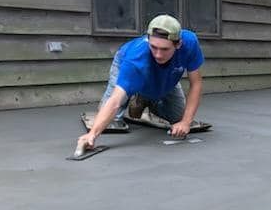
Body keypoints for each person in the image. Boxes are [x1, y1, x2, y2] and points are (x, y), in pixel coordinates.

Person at [77, 14, 204, 150]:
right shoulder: (136, 59)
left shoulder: (190, 43)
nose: (158, 54)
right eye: (153, 47)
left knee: (180, 119)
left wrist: (185, 122)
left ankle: (146, 99)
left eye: (165, 49)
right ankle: (137, 92)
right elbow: (115, 100)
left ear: (178, 44)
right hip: (128, 63)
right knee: (112, 120)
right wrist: (92, 134)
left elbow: (196, 83)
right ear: (147, 39)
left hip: (168, 72)